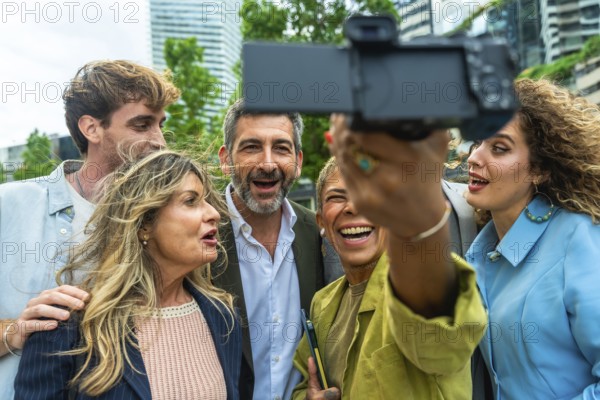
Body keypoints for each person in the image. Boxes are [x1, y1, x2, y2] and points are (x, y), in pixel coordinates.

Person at [0, 60, 180, 398]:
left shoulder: (162, 222)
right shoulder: (8, 204)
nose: (159, 141)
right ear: (91, 128)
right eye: (142, 125)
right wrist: (14, 331)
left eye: (160, 125)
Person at [14, 150, 241, 399]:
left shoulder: (222, 316)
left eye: (207, 200)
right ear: (144, 223)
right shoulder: (66, 327)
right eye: (191, 201)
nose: (214, 213)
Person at [292, 117, 487, 399]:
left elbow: (442, 347)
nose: (354, 206)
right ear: (322, 222)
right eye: (337, 197)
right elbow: (302, 383)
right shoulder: (323, 304)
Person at [464, 78, 600, 398]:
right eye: (477, 142)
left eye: (499, 148)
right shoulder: (480, 256)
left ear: (538, 170)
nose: (474, 158)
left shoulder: (579, 239)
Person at [214, 98, 327, 399]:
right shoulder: (194, 233)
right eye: (251, 147)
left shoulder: (320, 235)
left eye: (281, 147)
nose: (267, 163)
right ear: (225, 159)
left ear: (298, 161)